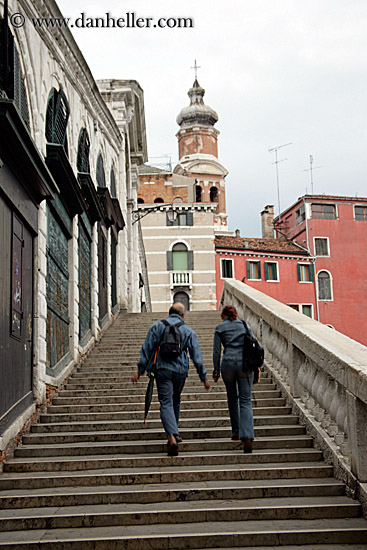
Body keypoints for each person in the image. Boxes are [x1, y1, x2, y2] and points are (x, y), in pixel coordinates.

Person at [131, 302, 210, 456]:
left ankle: (171, 436)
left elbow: (146, 349)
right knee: (176, 400)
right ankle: (175, 432)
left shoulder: (157, 327)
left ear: (169, 313)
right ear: (183, 315)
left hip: (163, 369)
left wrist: (139, 371)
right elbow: (197, 356)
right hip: (180, 371)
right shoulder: (188, 330)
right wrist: (203, 376)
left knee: (165, 402)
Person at [212, 305, 255, 453]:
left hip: (228, 364)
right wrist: (256, 366)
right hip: (245, 365)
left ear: (223, 316)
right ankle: (248, 435)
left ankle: (236, 431)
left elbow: (217, 351)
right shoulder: (245, 325)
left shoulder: (220, 328)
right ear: (235, 314)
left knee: (232, 398)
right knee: (245, 400)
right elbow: (253, 344)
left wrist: (216, 371)